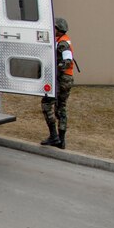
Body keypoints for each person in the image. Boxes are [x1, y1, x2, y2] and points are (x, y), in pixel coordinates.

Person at [40, 17, 75, 149]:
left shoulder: (63, 44)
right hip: (65, 79)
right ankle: (61, 140)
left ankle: (54, 137)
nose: (52, 29)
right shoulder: (61, 41)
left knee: (47, 104)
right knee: (61, 108)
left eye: (54, 27)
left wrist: (55, 68)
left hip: (62, 79)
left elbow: (67, 62)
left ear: (59, 29)